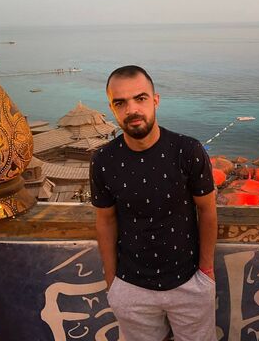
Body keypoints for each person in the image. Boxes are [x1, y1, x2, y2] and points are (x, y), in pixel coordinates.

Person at [90, 65, 217, 341]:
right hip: (131, 287)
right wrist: (112, 283)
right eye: (120, 103)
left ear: (155, 100)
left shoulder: (187, 151)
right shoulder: (103, 161)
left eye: (140, 98)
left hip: (189, 282)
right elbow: (105, 221)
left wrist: (206, 272)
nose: (132, 110)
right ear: (111, 108)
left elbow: (207, 209)